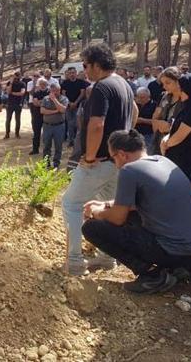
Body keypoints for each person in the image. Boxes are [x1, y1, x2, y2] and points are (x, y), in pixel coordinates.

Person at [82, 129, 191, 294]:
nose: (115, 164)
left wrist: (96, 212)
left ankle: (151, 275)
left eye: (113, 158)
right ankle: (174, 269)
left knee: (91, 228)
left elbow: (118, 218)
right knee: (131, 216)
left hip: (173, 251)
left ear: (122, 155)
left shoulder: (129, 170)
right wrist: (106, 204)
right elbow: (138, 202)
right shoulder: (162, 160)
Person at [61, 43, 137, 276]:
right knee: (107, 206)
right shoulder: (124, 84)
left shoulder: (102, 88)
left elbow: (96, 125)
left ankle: (74, 261)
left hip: (100, 160)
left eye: (85, 65)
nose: (84, 70)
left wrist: (90, 156)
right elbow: (134, 112)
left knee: (71, 204)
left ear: (96, 64)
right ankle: (107, 258)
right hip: (118, 161)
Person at [161, 73, 191, 184]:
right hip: (176, 161)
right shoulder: (187, 106)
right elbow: (175, 127)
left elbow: (179, 137)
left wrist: (165, 145)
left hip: (184, 163)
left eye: (182, 89)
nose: (179, 91)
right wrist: (166, 138)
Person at [150, 67, 183, 155]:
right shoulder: (164, 97)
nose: (164, 86)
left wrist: (170, 127)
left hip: (177, 143)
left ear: (178, 81)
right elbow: (155, 117)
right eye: (163, 83)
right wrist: (159, 125)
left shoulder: (185, 99)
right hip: (159, 140)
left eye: (168, 83)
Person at [41, 84, 69, 169]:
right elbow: (42, 111)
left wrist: (54, 100)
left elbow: (63, 110)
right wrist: (56, 111)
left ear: (59, 90)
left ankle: (56, 164)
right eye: (52, 91)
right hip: (47, 126)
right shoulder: (45, 99)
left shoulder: (64, 99)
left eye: (56, 90)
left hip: (59, 126)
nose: (54, 92)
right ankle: (46, 164)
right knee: (46, 146)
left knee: (58, 146)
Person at [60, 67, 89, 148]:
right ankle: (71, 141)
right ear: (68, 74)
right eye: (70, 73)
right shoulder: (65, 83)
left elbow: (82, 93)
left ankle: (78, 141)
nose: (72, 74)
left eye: (73, 72)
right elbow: (63, 93)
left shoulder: (81, 82)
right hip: (68, 106)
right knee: (69, 124)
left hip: (78, 105)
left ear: (76, 73)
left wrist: (75, 103)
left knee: (77, 123)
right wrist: (69, 102)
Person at [29, 78, 49, 155]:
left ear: (47, 85)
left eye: (44, 84)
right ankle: (35, 149)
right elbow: (35, 103)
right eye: (41, 84)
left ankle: (46, 151)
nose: (42, 85)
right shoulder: (36, 93)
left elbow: (49, 103)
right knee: (36, 133)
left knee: (47, 134)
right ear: (39, 85)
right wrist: (44, 101)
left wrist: (40, 102)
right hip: (37, 115)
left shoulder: (49, 92)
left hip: (47, 115)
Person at [133, 87, 156, 152]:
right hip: (135, 134)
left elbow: (156, 122)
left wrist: (142, 120)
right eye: (138, 97)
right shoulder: (135, 105)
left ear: (148, 96)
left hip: (148, 134)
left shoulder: (154, 105)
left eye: (142, 97)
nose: (140, 99)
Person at [4, 71, 26, 139]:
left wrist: (13, 93)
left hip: (18, 103)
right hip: (10, 103)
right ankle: (7, 134)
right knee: (8, 119)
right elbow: (8, 92)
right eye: (15, 77)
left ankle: (17, 133)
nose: (16, 78)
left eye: (17, 77)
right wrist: (11, 83)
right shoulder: (10, 83)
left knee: (18, 119)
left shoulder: (22, 84)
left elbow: (22, 93)